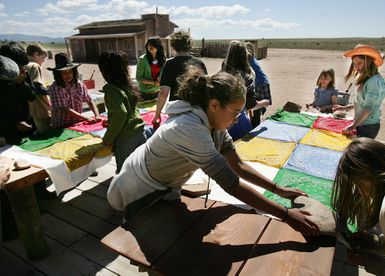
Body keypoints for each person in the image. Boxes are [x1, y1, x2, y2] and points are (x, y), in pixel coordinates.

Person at [107, 67, 319, 236]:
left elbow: (239, 166)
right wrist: (287, 215)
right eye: (236, 112)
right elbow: (231, 183)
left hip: (165, 182)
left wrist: (277, 189)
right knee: (148, 241)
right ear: (215, 104)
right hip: (140, 186)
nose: (237, 119)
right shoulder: (188, 127)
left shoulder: (215, 126)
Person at [332, 138, 385, 275]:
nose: (359, 191)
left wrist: (376, 263)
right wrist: (376, 243)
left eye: (356, 185)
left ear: (367, 176)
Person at [98, 51, 147, 173]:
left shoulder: (111, 89)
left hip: (126, 138)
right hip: (140, 131)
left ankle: (126, 192)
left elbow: (121, 113)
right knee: (140, 167)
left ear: (105, 72)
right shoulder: (127, 84)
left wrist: (108, 138)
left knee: (125, 172)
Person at [152, 30, 207, 126]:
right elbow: (206, 90)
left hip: (177, 112)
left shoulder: (169, 64)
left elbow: (164, 93)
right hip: (197, 111)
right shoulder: (199, 63)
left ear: (173, 46)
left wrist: (157, 114)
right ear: (190, 45)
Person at [332, 45, 385, 139]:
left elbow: (368, 109)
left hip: (368, 126)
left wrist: (353, 125)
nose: (356, 67)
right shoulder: (367, 79)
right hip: (361, 123)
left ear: (369, 62)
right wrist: (344, 107)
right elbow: (361, 103)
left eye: (359, 63)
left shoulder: (374, 81)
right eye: (354, 64)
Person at [222, 40, 269, 140]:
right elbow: (250, 104)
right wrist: (264, 103)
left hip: (221, 122)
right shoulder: (247, 76)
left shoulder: (222, 73)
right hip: (239, 124)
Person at [48, 53, 101, 128]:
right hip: (61, 125)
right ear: (58, 74)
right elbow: (65, 109)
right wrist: (85, 118)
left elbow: (89, 100)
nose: (68, 75)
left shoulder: (79, 85)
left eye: (70, 72)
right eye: (64, 73)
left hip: (77, 122)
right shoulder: (55, 88)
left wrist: (97, 115)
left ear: (74, 72)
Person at [0, 42, 36, 139]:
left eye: (22, 66)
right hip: (5, 133)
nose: (21, 69)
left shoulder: (23, 73)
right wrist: (14, 123)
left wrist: (22, 83)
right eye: (18, 66)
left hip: (27, 128)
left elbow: (32, 97)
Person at [25, 43, 51, 133]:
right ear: (36, 54)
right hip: (40, 107)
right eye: (43, 57)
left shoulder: (25, 66)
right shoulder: (34, 66)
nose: (43, 61)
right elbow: (37, 86)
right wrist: (51, 91)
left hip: (31, 108)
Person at [245, 42, 272, 128]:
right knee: (255, 107)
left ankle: (255, 126)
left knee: (254, 106)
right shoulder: (253, 59)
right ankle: (257, 119)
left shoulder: (249, 60)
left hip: (260, 84)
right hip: (262, 83)